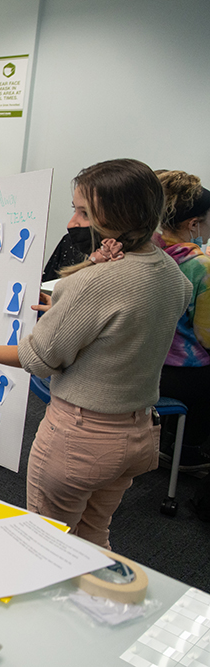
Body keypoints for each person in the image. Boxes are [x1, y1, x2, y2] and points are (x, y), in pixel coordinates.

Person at [0, 158, 190, 549]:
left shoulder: (94, 282)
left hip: (82, 438)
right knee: (93, 535)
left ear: (117, 216)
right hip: (137, 434)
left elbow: (38, 359)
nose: (72, 222)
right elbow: (123, 329)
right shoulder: (173, 274)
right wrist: (70, 309)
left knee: (46, 545)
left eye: (84, 212)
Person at [152, 170, 210, 469]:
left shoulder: (149, 248)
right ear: (194, 224)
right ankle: (187, 451)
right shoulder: (200, 265)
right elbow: (205, 337)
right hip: (181, 371)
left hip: (147, 362)